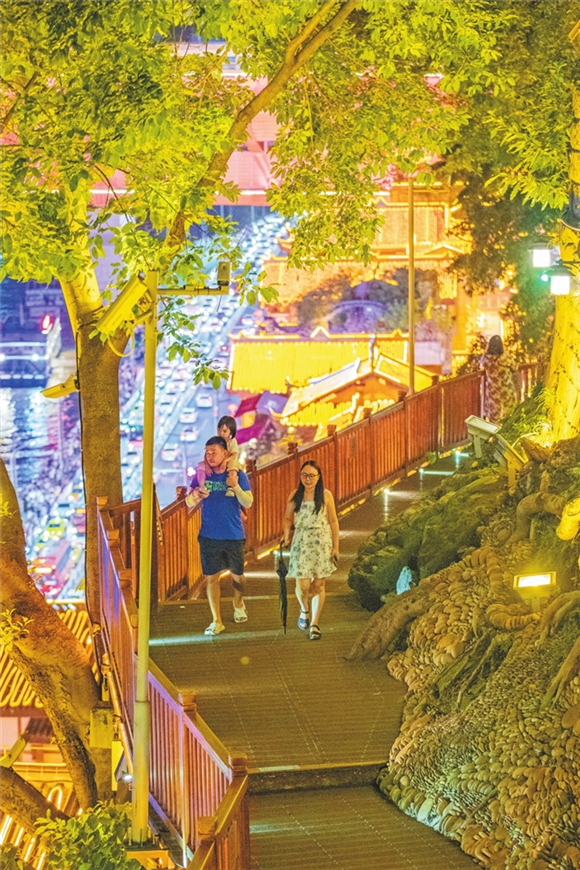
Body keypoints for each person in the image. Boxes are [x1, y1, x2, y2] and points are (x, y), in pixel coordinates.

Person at [188, 436, 253, 636]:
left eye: (214, 452)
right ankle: (217, 620)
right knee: (211, 578)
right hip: (208, 534)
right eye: (207, 452)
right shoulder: (202, 475)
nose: (210, 456)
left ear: (225, 453)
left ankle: (238, 602)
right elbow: (188, 502)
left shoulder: (237, 474)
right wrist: (197, 495)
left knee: (238, 576)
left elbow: (248, 502)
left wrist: (235, 486)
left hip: (233, 534)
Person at [282, 460, 339, 641]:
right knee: (303, 585)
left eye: (312, 476)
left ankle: (314, 623)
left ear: (318, 477)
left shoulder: (325, 495)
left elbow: (333, 521)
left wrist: (336, 547)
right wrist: (286, 535)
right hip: (302, 541)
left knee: (319, 585)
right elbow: (287, 517)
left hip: (322, 542)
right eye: (304, 475)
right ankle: (304, 608)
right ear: (300, 477)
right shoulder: (295, 495)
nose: (308, 479)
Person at [195, 415, 240, 497]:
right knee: (200, 466)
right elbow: (207, 453)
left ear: (231, 432)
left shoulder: (232, 442)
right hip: (215, 463)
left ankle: (231, 486)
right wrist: (206, 464)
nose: (221, 433)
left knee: (233, 465)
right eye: (219, 430)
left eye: (224, 431)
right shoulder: (215, 440)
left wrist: (224, 461)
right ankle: (202, 487)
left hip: (227, 462)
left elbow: (234, 455)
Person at [481, 335, 518, 422]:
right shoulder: (506, 358)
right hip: (507, 391)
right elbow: (515, 367)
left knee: (493, 420)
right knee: (508, 418)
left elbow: (480, 365)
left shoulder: (486, 359)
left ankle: (494, 434)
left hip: (493, 393)